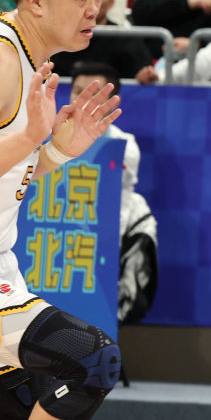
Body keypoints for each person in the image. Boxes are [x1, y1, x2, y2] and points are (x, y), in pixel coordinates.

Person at [0, 0, 124, 420]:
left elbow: (8, 175)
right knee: (90, 359)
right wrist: (28, 137)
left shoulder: (31, 62)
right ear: (34, 1)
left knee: (14, 415)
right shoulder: (2, 61)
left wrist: (52, 154)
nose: (93, 7)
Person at [69, 63, 159, 320]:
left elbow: (119, 205)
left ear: (112, 100)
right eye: (78, 91)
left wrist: (104, 254)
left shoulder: (124, 147)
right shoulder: (46, 135)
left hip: (98, 243)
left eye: (94, 93)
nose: (83, 100)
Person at [51, 0, 153, 79]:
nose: (91, 0)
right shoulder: (56, 36)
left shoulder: (127, 40)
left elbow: (144, 77)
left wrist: (143, 77)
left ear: (111, 3)